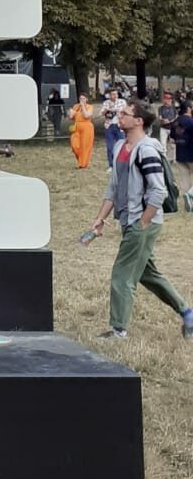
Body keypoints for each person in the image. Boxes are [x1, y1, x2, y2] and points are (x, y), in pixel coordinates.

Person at [87, 99, 193, 342]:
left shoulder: (147, 149)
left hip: (142, 222)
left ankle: (118, 331)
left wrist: (143, 222)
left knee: (121, 275)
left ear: (138, 121)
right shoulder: (119, 148)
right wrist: (99, 219)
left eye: (124, 113)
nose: (118, 116)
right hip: (129, 220)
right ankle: (188, 313)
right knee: (148, 273)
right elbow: (113, 188)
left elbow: (158, 191)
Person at [173, 100, 193, 210]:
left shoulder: (176, 121)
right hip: (191, 152)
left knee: (184, 178)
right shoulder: (191, 122)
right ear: (189, 108)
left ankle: (188, 199)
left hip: (180, 153)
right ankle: (190, 193)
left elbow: (172, 137)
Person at [68, 94, 95, 169]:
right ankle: (81, 159)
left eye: (83, 98)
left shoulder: (89, 107)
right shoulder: (76, 106)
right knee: (75, 145)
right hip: (77, 127)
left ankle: (82, 164)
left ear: (86, 99)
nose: (81, 100)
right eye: (80, 98)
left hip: (87, 127)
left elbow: (86, 116)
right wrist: (71, 112)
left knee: (84, 146)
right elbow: (71, 117)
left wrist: (83, 106)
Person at [101, 89, 125, 166]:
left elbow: (126, 112)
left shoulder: (122, 102)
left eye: (116, 94)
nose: (115, 96)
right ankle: (111, 165)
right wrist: (107, 109)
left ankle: (121, 164)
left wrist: (119, 112)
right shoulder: (106, 103)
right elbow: (101, 113)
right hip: (109, 126)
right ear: (109, 95)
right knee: (110, 147)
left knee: (121, 146)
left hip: (119, 126)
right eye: (113, 94)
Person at [158, 90, 178, 155]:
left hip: (172, 128)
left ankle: (174, 158)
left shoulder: (174, 108)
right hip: (163, 128)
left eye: (168, 98)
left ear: (171, 100)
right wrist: (162, 120)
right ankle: (164, 157)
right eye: (165, 98)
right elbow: (160, 117)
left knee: (173, 144)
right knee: (162, 143)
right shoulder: (160, 108)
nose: (166, 100)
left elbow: (176, 117)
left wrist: (170, 121)